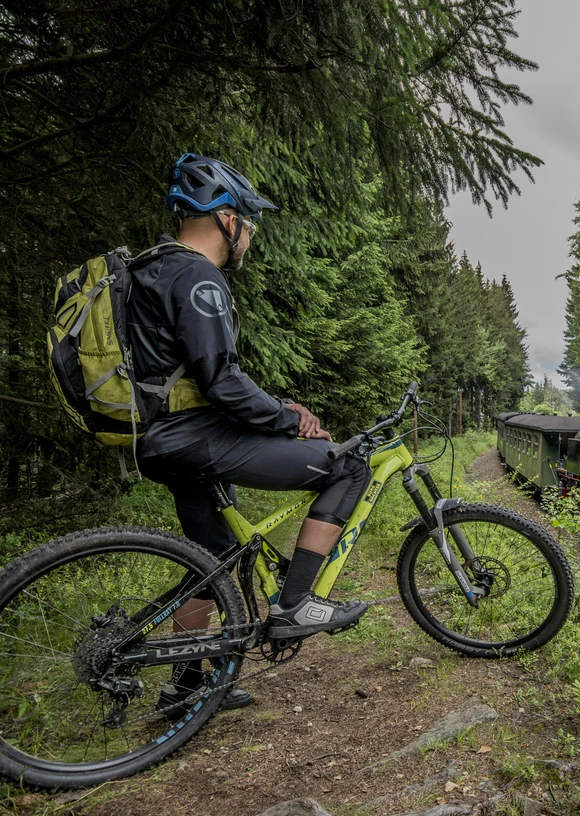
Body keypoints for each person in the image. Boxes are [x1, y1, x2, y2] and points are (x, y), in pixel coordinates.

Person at [129, 154, 371, 714]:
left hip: (160, 438)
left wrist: (274, 405)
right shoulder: (198, 276)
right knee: (347, 466)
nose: (251, 236)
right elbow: (219, 378)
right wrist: (291, 420)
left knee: (210, 555)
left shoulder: (154, 267)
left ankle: (185, 687)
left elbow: (188, 373)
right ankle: (295, 605)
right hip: (193, 438)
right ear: (227, 219)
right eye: (249, 223)